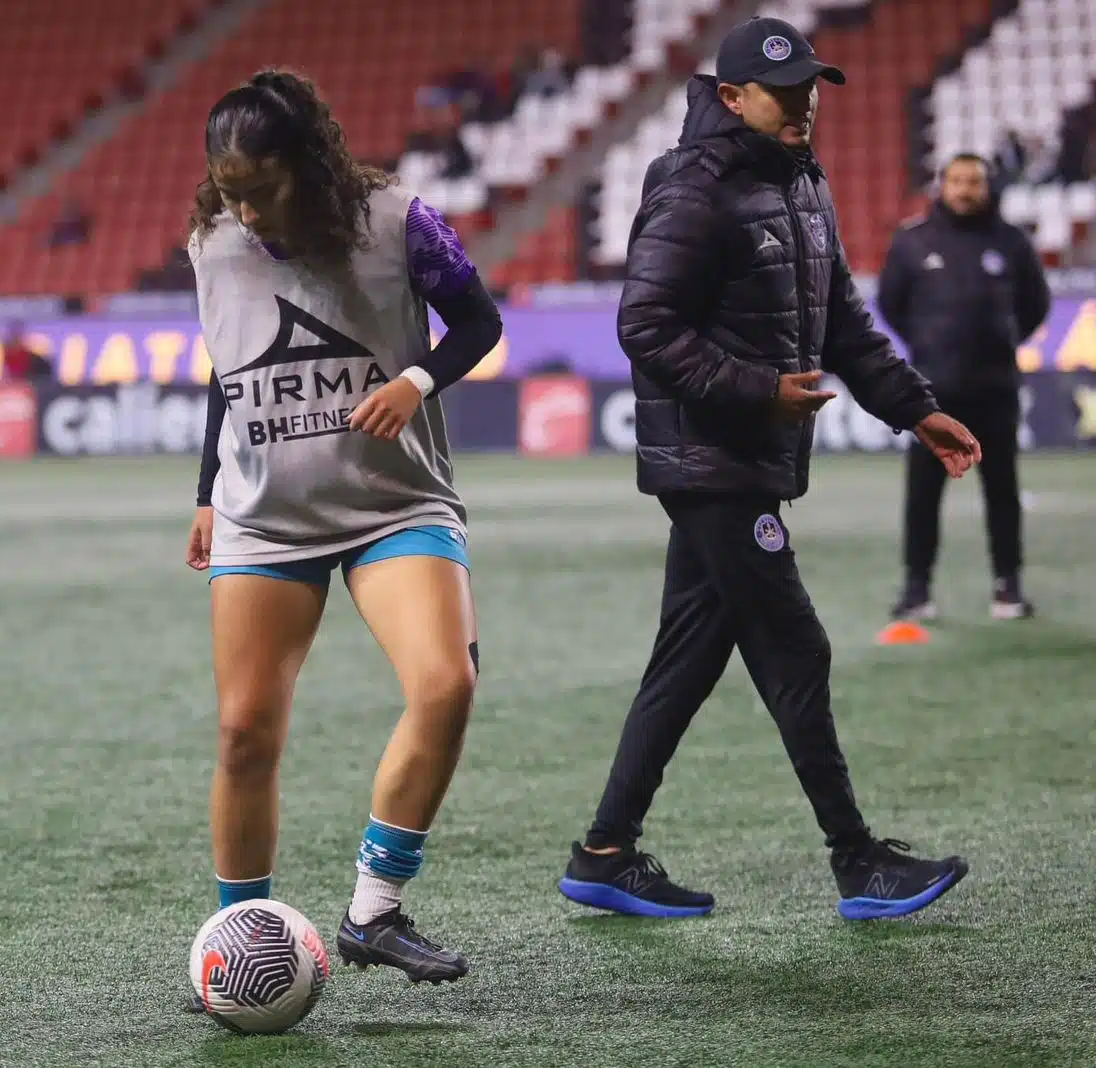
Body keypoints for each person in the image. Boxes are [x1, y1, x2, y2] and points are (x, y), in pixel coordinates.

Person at [555, 17, 984, 923]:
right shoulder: (692, 186)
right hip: (713, 462)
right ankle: (858, 861)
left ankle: (604, 851)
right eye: (782, 93)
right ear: (731, 97)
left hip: (745, 457)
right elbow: (644, 325)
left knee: (688, 658)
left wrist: (915, 408)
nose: (803, 107)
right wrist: (758, 392)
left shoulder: (803, 187)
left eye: (809, 90)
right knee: (795, 647)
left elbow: (844, 328)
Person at [182, 68, 503, 1005]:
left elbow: (479, 319)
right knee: (245, 732)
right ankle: (240, 935)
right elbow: (226, 369)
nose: (243, 209)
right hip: (265, 515)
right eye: (228, 189)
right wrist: (206, 490)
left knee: (446, 685)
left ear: (308, 168)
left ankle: (374, 910)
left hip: (394, 505)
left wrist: (418, 383)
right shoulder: (211, 241)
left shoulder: (398, 219)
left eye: (261, 188)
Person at [877, 153, 1051, 622]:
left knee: (1002, 491)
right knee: (922, 494)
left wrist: (1001, 341)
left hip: (996, 389)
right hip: (932, 393)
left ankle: (1008, 588)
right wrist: (929, 345)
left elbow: (1036, 304)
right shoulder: (913, 242)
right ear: (942, 185)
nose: (965, 189)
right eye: (956, 181)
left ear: (987, 186)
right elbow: (890, 304)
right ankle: (916, 590)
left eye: (974, 181)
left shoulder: (1012, 242)